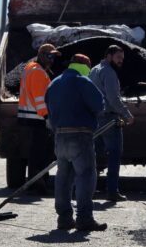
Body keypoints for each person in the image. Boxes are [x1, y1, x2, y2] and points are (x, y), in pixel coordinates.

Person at [45, 54, 108, 232]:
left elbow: (48, 107)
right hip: (80, 136)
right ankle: (84, 219)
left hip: (60, 137)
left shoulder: (54, 83)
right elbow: (99, 105)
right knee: (86, 176)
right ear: (84, 66)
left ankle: (64, 219)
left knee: (63, 178)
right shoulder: (83, 82)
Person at [89, 45, 134, 202]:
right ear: (108, 56)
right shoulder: (109, 72)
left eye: (122, 58)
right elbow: (113, 98)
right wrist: (127, 114)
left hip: (94, 119)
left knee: (93, 156)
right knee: (114, 155)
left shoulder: (94, 70)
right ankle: (112, 191)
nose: (121, 61)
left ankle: (88, 190)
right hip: (109, 119)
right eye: (118, 58)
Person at [18, 43, 60, 194]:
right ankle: (37, 183)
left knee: (37, 152)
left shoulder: (31, 68)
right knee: (39, 152)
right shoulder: (37, 72)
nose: (52, 60)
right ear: (42, 55)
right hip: (36, 118)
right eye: (50, 56)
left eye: (54, 56)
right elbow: (39, 98)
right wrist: (47, 117)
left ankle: (37, 181)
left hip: (30, 117)